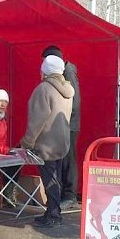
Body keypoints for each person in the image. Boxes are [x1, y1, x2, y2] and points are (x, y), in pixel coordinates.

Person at [20, 54, 74, 228]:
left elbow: (37, 120)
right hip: (62, 141)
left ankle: (53, 214)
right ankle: (53, 211)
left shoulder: (43, 89)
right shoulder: (68, 89)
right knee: (56, 178)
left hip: (46, 143)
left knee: (50, 179)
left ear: (45, 70)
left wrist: (27, 142)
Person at [41, 45, 81, 210]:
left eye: (44, 61)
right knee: (62, 159)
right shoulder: (63, 72)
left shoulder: (68, 72)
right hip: (63, 123)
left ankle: (70, 195)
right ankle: (64, 194)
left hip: (68, 124)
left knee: (68, 160)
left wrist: (63, 119)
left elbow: (74, 100)